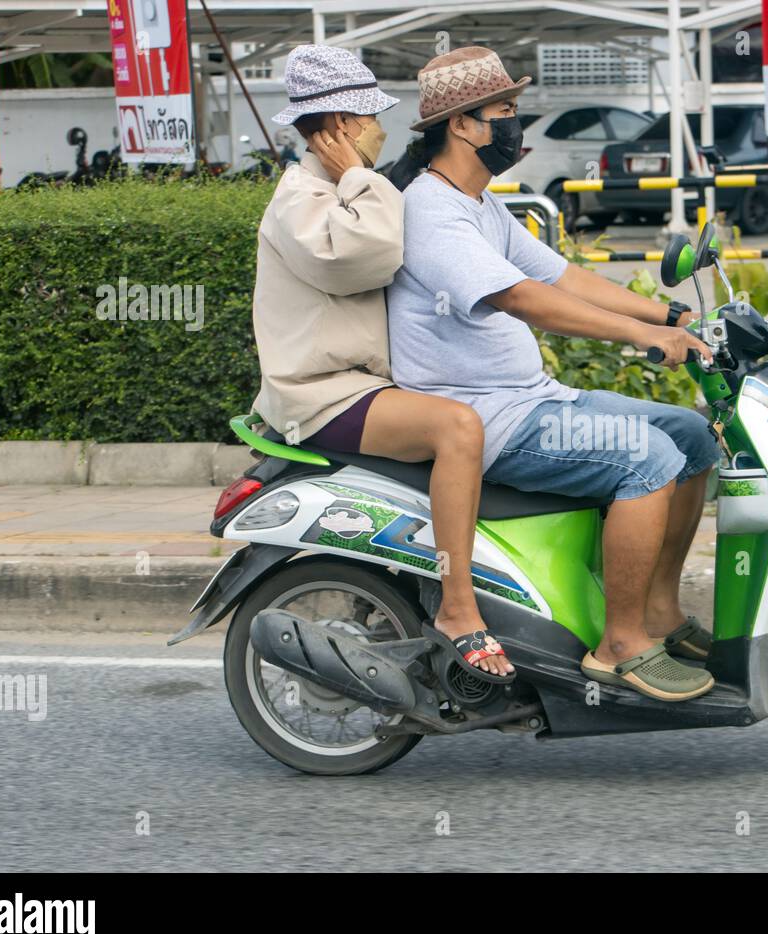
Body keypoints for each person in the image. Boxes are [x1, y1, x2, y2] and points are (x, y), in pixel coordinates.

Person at [387, 47, 720, 702]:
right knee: (645, 459)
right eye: (505, 111)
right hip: (493, 417)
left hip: (536, 398)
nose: (517, 124)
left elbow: (560, 274)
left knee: (692, 437)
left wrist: (671, 312)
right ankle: (619, 642)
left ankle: (657, 612)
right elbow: (522, 297)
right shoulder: (431, 209)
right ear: (462, 124)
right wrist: (644, 336)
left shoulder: (480, 204)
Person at [253, 44, 513, 678]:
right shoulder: (304, 197)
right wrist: (357, 175)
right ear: (342, 126)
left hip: (361, 386)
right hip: (323, 395)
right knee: (457, 427)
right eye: (369, 119)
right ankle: (459, 610)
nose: (381, 130)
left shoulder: (337, 188)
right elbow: (367, 252)